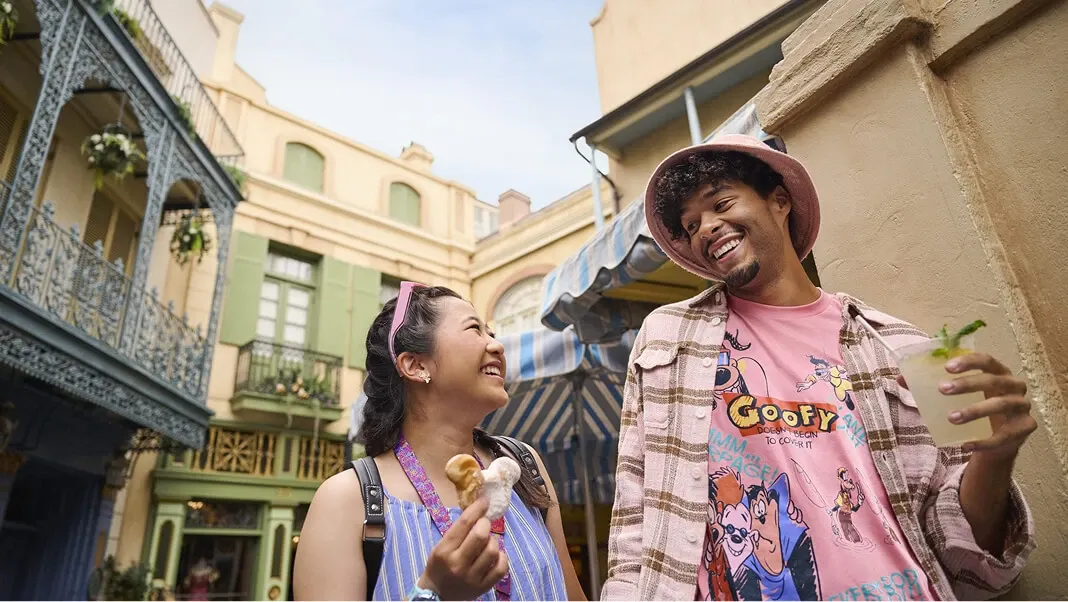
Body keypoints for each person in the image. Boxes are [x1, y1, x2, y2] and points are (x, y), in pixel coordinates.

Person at [602, 135, 1036, 601]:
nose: (706, 228)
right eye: (690, 226)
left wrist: (996, 455)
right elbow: (637, 511)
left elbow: (970, 562)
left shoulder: (902, 347)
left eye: (721, 203)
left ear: (780, 201)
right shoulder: (668, 336)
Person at [294, 283, 585, 601]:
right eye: (475, 329)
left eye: (491, 333)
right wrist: (434, 593)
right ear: (416, 365)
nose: (497, 346)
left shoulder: (522, 464)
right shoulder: (346, 500)